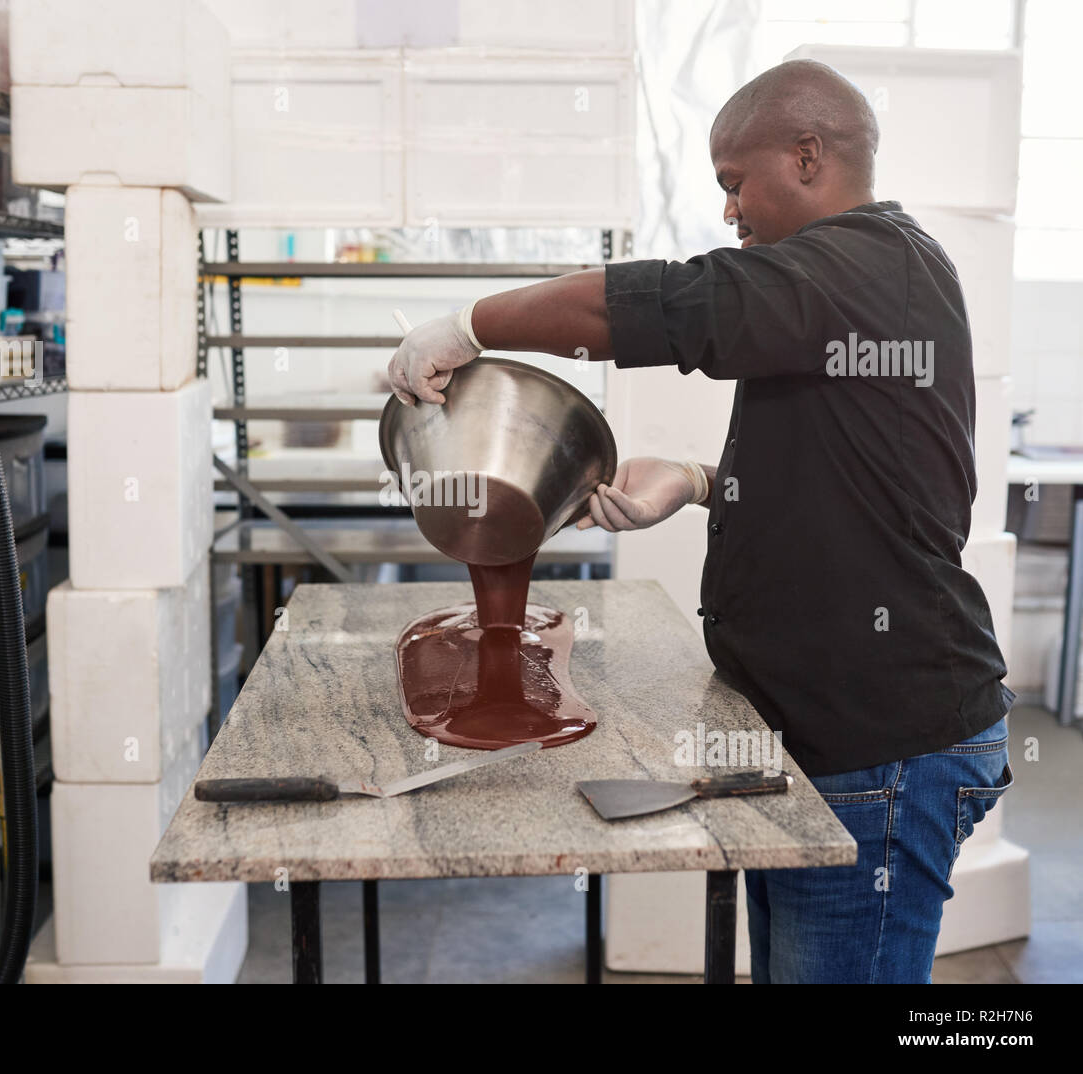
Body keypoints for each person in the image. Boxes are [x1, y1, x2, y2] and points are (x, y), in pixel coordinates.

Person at [386, 59, 1015, 984]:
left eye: (734, 182)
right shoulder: (861, 282)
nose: (730, 212)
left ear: (807, 156)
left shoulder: (867, 264)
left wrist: (472, 323)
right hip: (840, 737)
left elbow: (672, 305)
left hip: (886, 745)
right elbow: (856, 482)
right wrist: (690, 480)